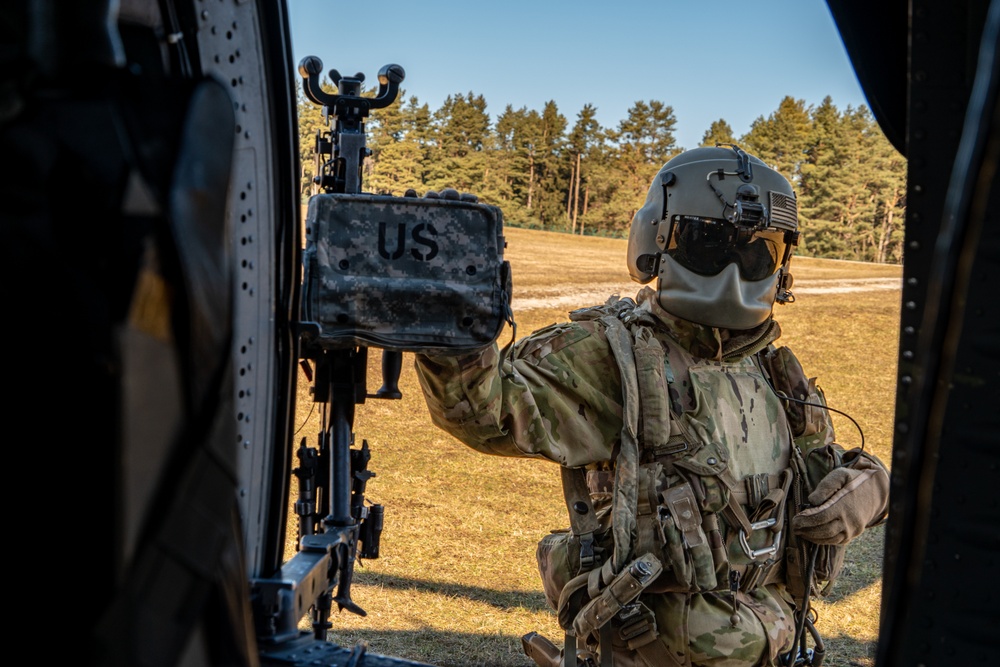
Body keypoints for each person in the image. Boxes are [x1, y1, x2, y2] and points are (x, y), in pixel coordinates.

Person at [414, 145, 890, 667]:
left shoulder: (772, 370)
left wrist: (873, 490)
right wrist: (453, 319)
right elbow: (481, 411)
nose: (732, 269)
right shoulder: (610, 357)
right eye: (708, 244)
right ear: (656, 246)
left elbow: (825, 474)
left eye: (756, 250)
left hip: (779, 647)